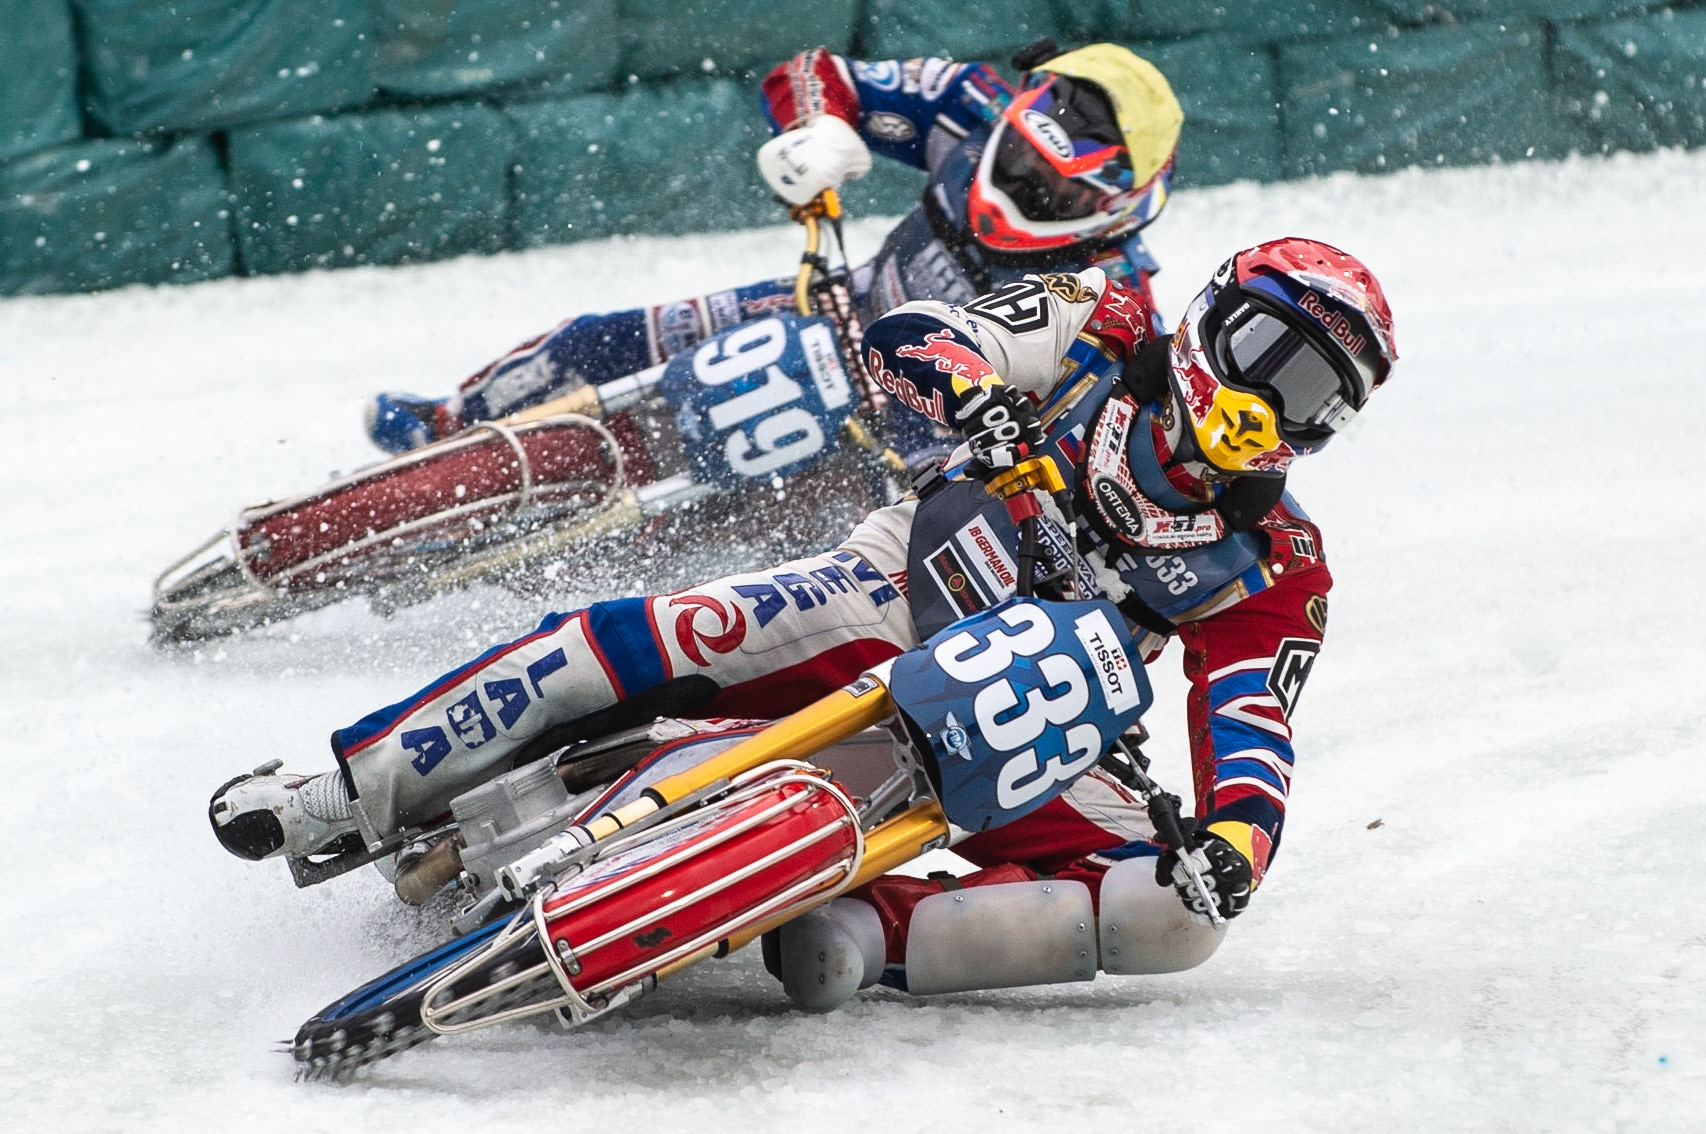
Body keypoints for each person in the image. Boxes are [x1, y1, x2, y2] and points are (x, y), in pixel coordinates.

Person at [211, 237, 1396, 1001]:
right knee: (659, 632)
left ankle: (870, 931)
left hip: (1035, 717)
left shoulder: (1276, 561)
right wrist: (975, 400)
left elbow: (1250, 719)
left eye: (1306, 396)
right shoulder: (1100, 320)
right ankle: (339, 786)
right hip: (891, 588)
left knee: (1176, 921)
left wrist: (1235, 846)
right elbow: (916, 334)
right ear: (1209, 320)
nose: (1264, 402)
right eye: (1262, 354)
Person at [366, 41, 1184, 471]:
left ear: (1118, 199)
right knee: (595, 340)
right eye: (1026, 161)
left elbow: (1114, 438)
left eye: (1061, 192)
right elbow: (813, 71)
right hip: (831, 306)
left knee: (776, 554)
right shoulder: (970, 103)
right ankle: (449, 426)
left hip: (925, 428)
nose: (1031, 187)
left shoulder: (1116, 296)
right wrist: (821, 127)